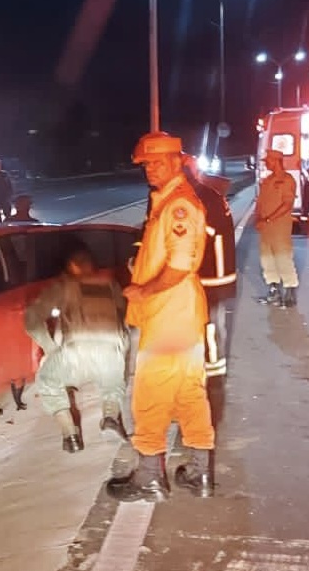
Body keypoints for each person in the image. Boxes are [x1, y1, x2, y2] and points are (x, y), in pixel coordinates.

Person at [106, 131, 215, 502]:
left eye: (157, 162)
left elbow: (182, 265)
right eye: (146, 164)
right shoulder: (166, 202)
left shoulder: (179, 206)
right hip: (179, 315)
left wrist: (142, 289)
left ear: (176, 161)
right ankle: (200, 474)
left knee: (150, 396)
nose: (150, 169)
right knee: (188, 393)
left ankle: (150, 477)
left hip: (169, 315)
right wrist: (142, 266)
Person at [24, 246, 129, 453]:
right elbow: (124, 314)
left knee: (47, 379)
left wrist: (50, 348)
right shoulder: (110, 284)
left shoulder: (64, 286)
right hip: (111, 351)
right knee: (114, 381)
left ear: (71, 267)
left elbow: (32, 320)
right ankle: (110, 417)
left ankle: (70, 434)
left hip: (77, 353)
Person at [182, 154, 237, 379]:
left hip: (209, 276)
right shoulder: (211, 195)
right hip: (217, 275)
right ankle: (209, 370)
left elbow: (198, 236)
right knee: (212, 326)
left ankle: (212, 378)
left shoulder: (199, 198)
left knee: (209, 327)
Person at [254, 149, 298, 308]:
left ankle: (289, 293)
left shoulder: (287, 180)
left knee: (283, 258)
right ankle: (274, 291)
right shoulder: (267, 181)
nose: (266, 163)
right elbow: (260, 202)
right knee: (267, 260)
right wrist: (258, 218)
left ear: (276, 161)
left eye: (268, 161)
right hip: (265, 229)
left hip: (279, 228)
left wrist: (267, 219)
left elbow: (287, 204)